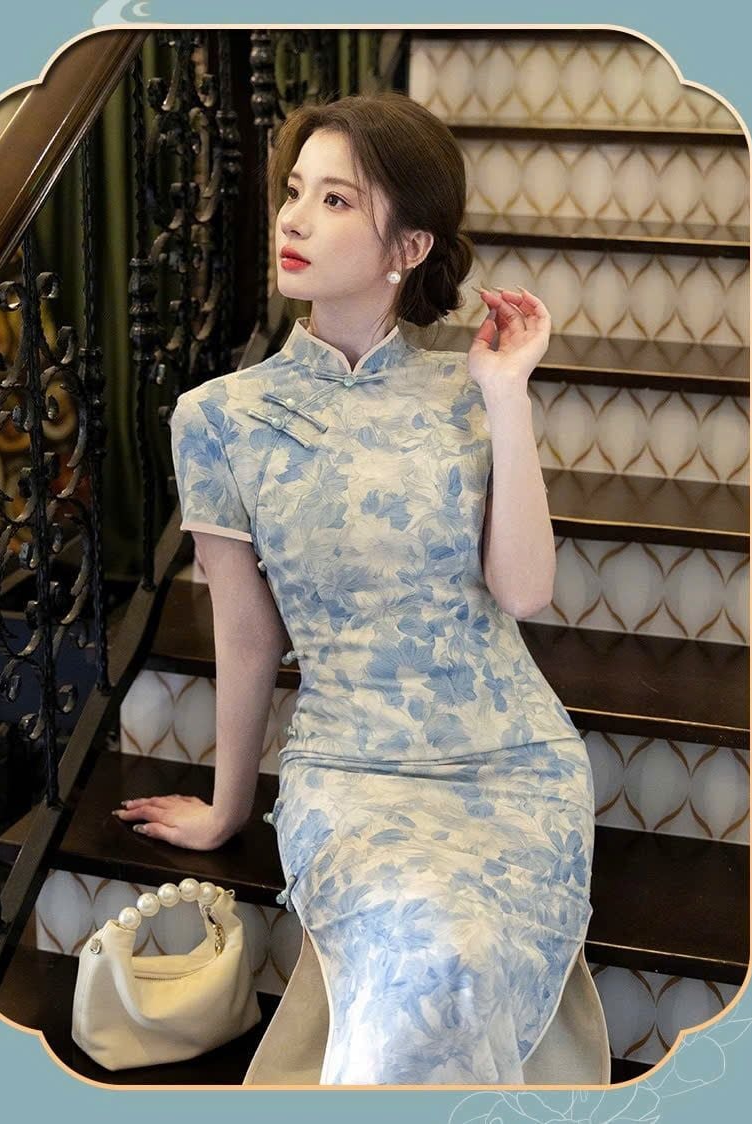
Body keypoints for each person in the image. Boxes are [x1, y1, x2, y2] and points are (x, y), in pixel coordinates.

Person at [112, 91, 609, 1085]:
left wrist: (507, 395)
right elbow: (246, 632)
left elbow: (524, 592)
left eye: (335, 200)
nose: (294, 219)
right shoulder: (219, 418)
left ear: (408, 247)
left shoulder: (470, 389)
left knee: (466, 948)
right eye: (294, 192)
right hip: (351, 764)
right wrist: (228, 806)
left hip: (510, 755)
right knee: (429, 955)